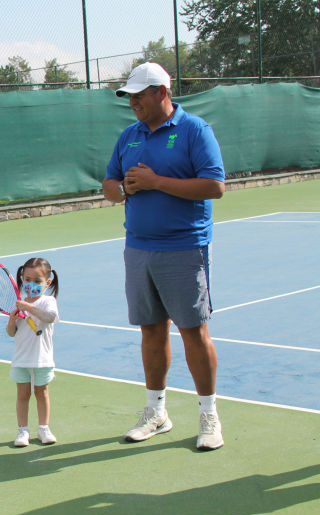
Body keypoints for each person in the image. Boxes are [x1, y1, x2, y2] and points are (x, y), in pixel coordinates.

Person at [102, 62, 226, 451]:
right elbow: (108, 184)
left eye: (139, 94)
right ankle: (156, 412)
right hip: (138, 249)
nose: (133, 102)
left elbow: (214, 185)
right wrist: (124, 188)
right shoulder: (129, 135)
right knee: (151, 332)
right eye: (129, 96)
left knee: (194, 332)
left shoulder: (194, 130)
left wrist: (156, 182)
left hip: (184, 248)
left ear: (161, 92)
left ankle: (209, 417)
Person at [5, 258, 60, 447]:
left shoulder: (48, 301)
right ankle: (23, 431)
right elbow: (11, 333)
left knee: (42, 393)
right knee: (22, 395)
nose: (31, 285)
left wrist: (28, 308)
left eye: (37, 281)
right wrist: (12, 320)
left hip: (43, 359)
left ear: (48, 283)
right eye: (27, 280)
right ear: (22, 279)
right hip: (21, 360)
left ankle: (44, 429)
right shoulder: (18, 304)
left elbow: (50, 318)